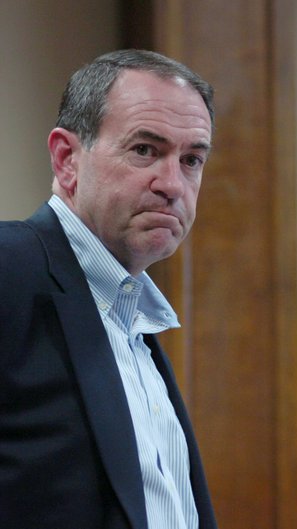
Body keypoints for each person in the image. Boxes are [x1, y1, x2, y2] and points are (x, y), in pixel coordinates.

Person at [0, 49, 217, 529]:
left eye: (192, 160)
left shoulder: (132, 317)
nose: (173, 185)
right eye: (145, 150)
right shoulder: (9, 268)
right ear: (67, 159)